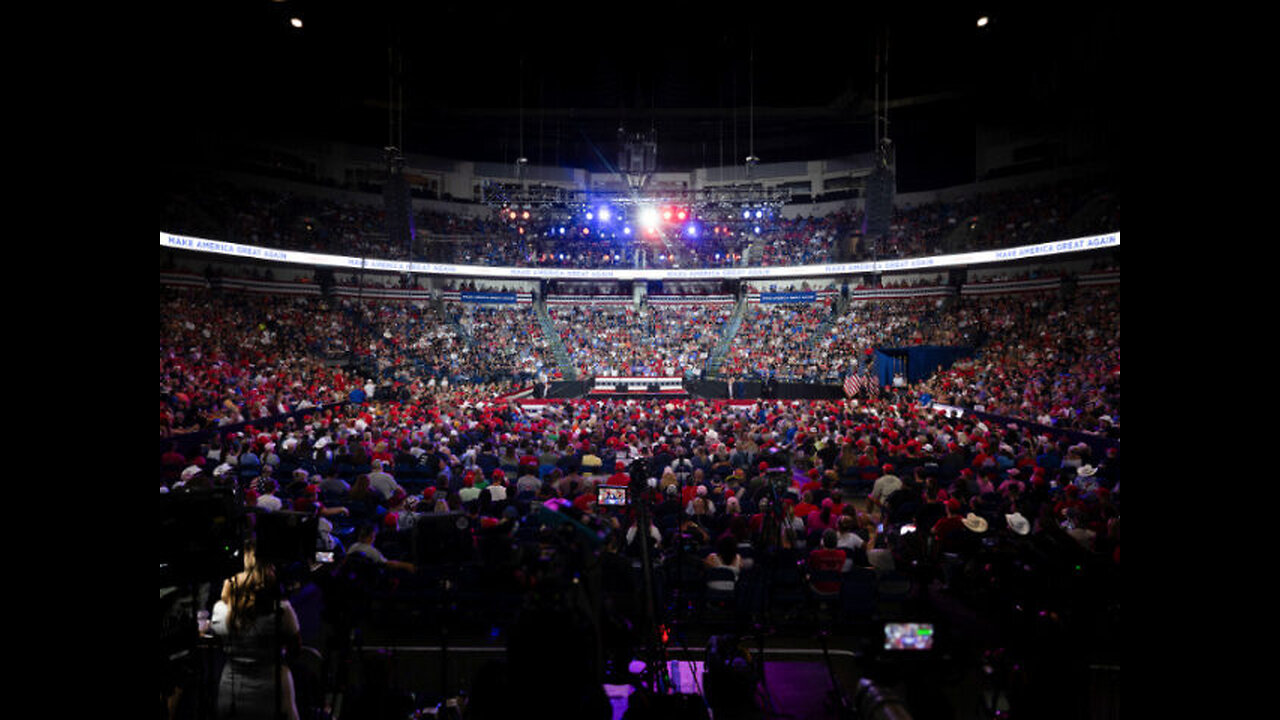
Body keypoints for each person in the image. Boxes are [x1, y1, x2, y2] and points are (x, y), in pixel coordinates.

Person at [210, 538, 301, 720]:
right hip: (272, 691)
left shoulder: (220, 610)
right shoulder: (281, 611)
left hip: (231, 690)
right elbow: (295, 649)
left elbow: (220, 646)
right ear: (266, 570)